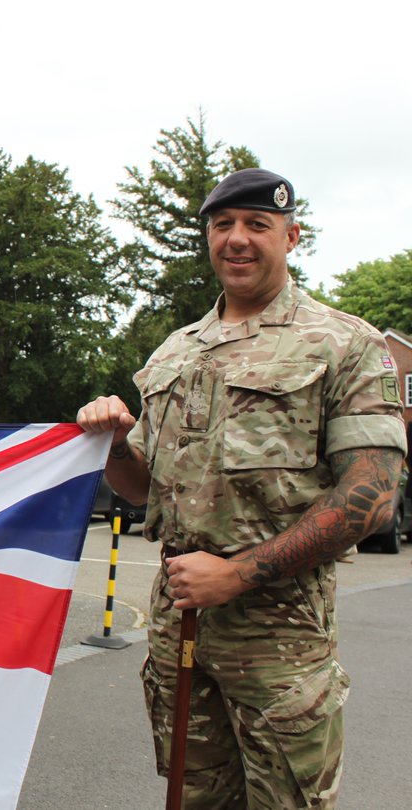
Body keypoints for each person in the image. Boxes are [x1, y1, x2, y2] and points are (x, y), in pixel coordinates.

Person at [76, 169, 406, 809]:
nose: (238, 239)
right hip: (180, 631)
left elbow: (372, 496)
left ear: (291, 236)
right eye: (223, 225)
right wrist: (114, 443)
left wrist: (239, 574)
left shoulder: (345, 343)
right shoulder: (177, 352)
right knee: (194, 800)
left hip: (279, 640)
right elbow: (143, 488)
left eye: (257, 225)